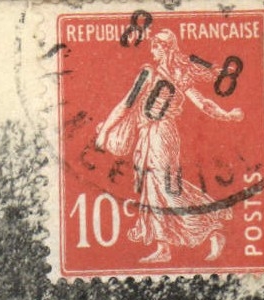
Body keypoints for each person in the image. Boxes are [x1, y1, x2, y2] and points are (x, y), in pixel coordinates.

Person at [95, 29, 245, 263]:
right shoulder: (163, 73)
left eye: (155, 47)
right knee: (150, 188)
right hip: (148, 135)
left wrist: (104, 132)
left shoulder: (166, 74)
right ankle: (163, 247)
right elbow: (129, 103)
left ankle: (212, 228)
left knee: (167, 188)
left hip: (162, 134)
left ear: (163, 48)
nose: (152, 51)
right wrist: (227, 115)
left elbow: (127, 104)